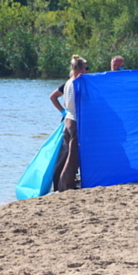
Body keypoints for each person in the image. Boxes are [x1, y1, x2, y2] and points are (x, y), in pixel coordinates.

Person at [51, 55, 89, 192]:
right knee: (72, 158)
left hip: (68, 120)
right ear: (80, 69)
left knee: (64, 156)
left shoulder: (68, 82)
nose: (87, 71)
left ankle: (58, 183)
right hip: (75, 122)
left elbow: (66, 102)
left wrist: (63, 112)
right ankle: (66, 186)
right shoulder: (77, 83)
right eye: (86, 68)